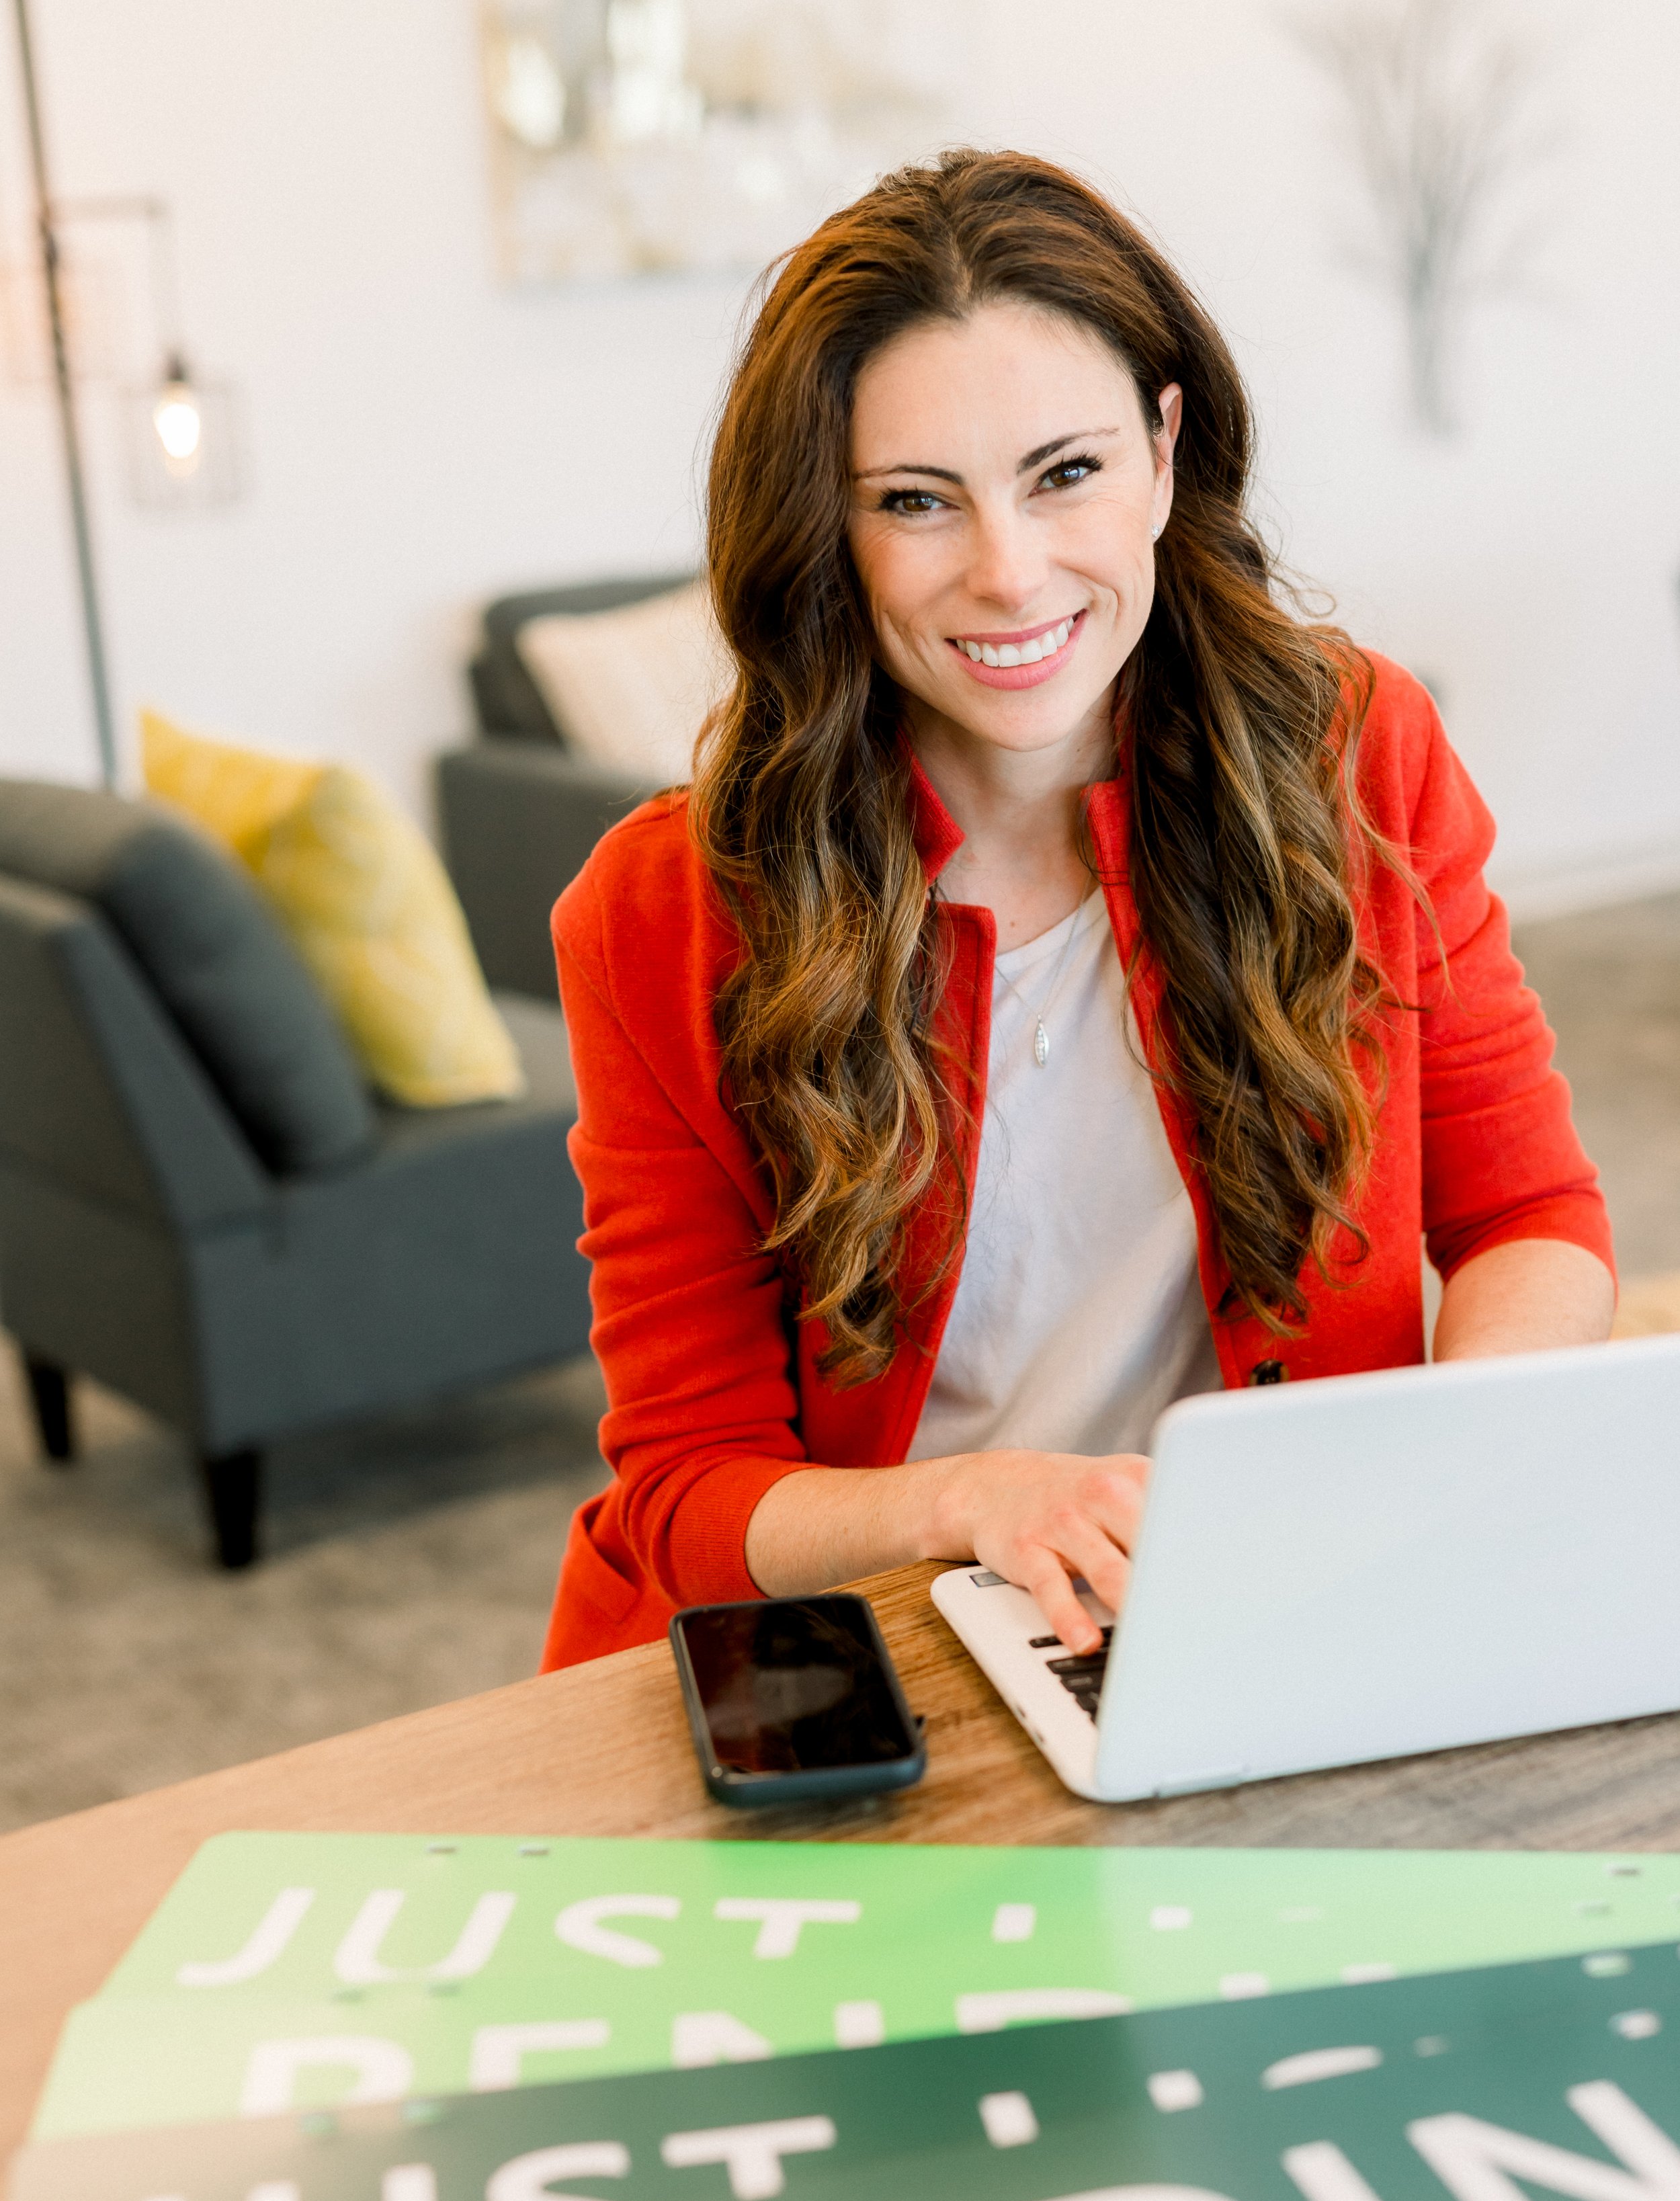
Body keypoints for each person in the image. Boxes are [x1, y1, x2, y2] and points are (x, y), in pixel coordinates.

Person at [540, 148, 1613, 1673]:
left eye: (1065, 473)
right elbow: (687, 1487)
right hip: (865, 1647)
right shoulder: (665, 912)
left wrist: (1431, 1461)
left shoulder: (1355, 754)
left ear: (1162, 453)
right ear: (824, 533)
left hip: (1259, 1607)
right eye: (915, 501)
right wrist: (979, 1501)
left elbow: (1528, 1218)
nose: (1007, 572)